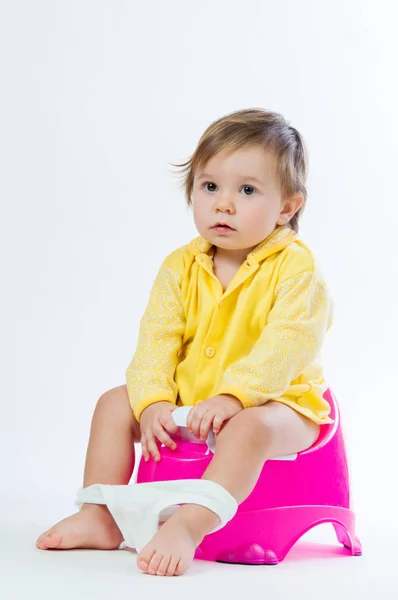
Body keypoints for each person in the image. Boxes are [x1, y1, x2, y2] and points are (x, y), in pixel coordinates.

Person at [36, 108, 334, 576]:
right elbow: (156, 340)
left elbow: (288, 345)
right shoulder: (181, 265)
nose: (223, 204)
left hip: (281, 404)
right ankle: (100, 514)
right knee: (114, 404)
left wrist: (236, 396)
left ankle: (191, 524)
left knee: (249, 428)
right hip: (193, 399)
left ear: (286, 208)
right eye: (209, 186)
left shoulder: (296, 268)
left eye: (248, 190)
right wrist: (153, 400)